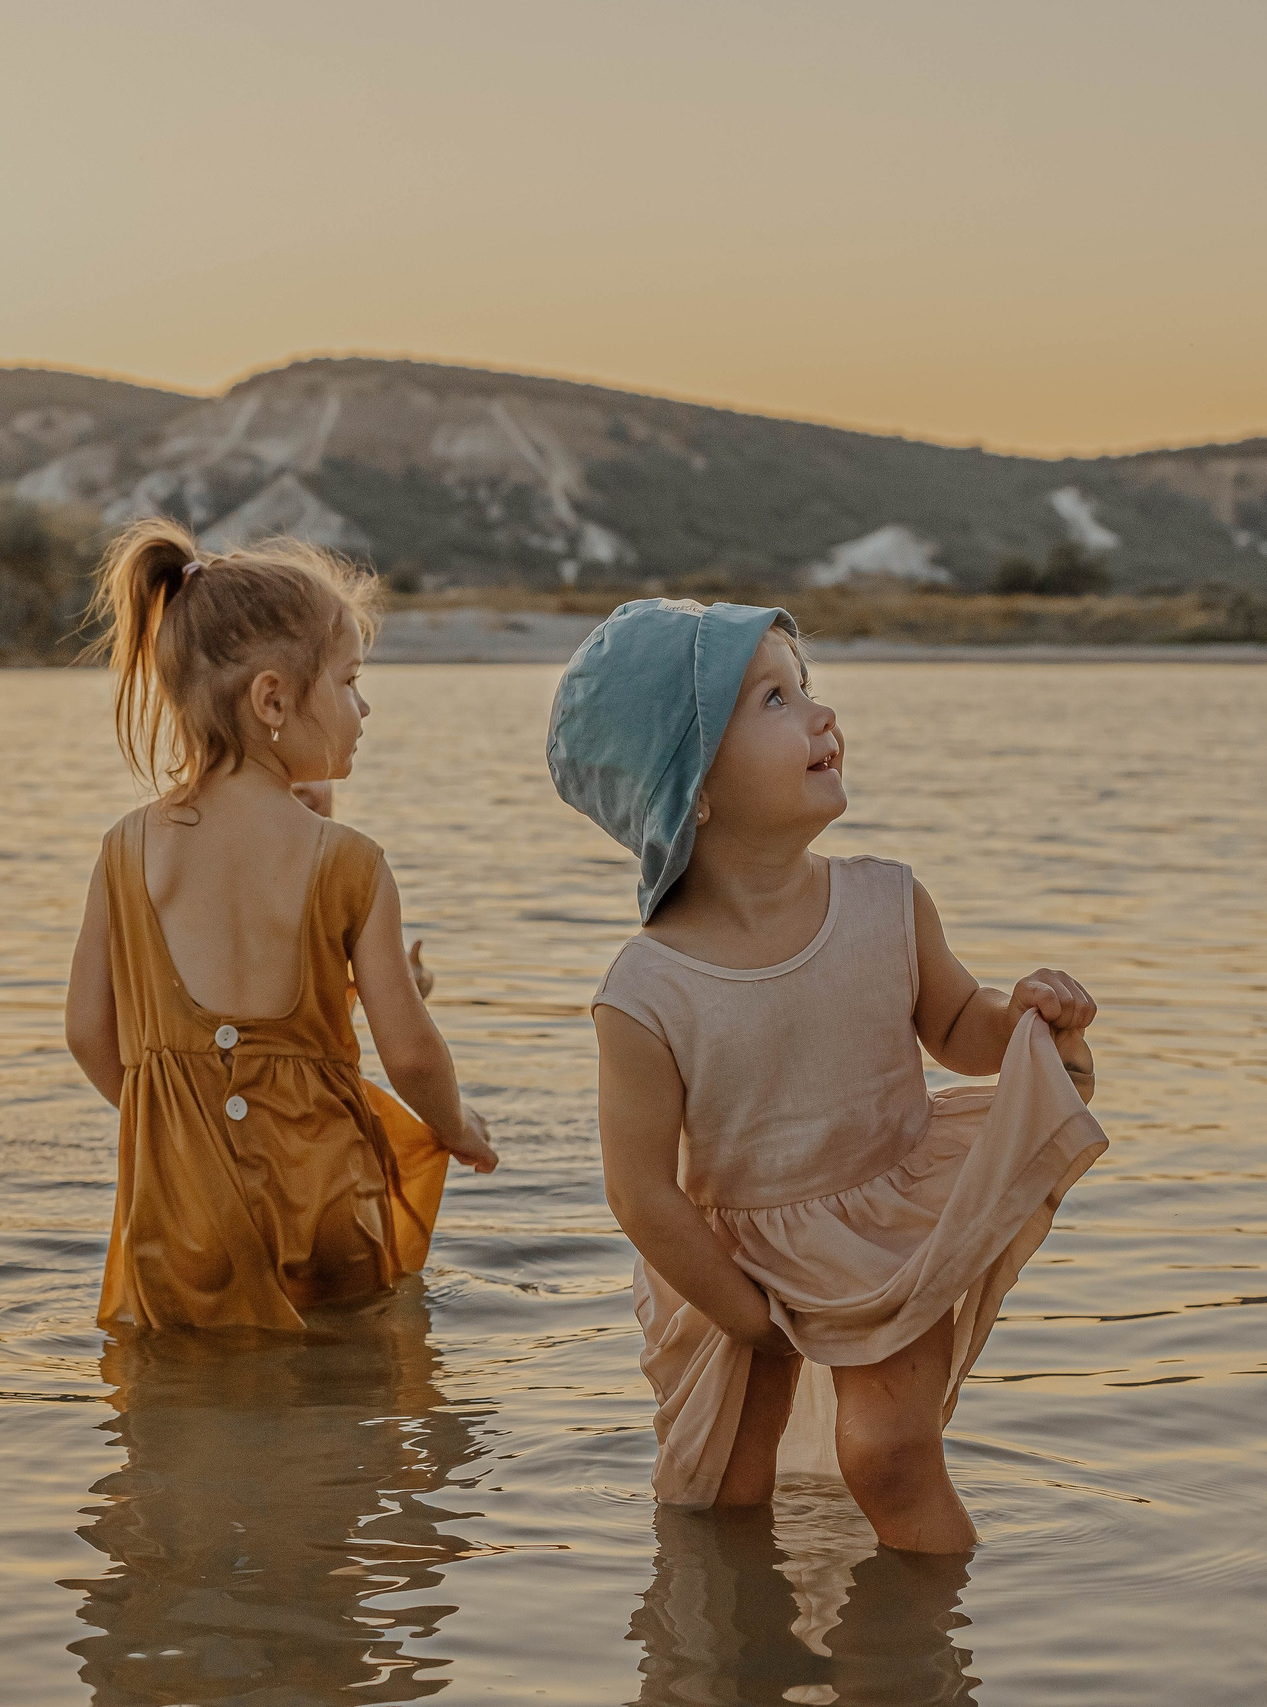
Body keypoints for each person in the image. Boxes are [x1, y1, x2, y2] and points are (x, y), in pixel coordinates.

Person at [546, 599, 1107, 1553]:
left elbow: (957, 1025)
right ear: (693, 790)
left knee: (887, 1449)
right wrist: (746, 1315)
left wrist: (1026, 1017)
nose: (821, 716)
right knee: (717, 1495)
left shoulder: (886, 901)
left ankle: (921, 1651)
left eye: (808, 688)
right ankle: (730, 1653)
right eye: (774, 698)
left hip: (889, 1229)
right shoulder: (645, 993)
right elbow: (640, 1192)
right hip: (734, 1257)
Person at [63, 519, 499, 1332]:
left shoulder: (126, 850)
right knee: (347, 1407)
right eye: (349, 681)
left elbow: (88, 1030)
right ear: (272, 698)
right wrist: (456, 1125)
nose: (363, 708)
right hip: (326, 1193)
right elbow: (408, 1050)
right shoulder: (350, 861)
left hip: (179, 1216)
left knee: (182, 1425)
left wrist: (174, 1131)